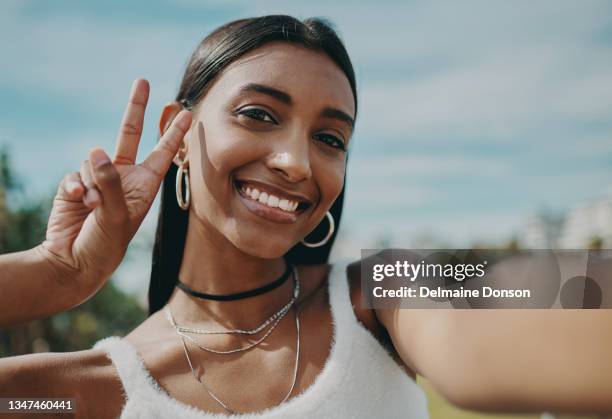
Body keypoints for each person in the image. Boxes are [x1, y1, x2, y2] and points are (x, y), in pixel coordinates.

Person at [0, 15, 610, 419]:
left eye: (330, 138)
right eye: (259, 115)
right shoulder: (81, 393)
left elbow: (572, 308)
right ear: (177, 136)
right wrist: (54, 275)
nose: (297, 162)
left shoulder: (380, 297)